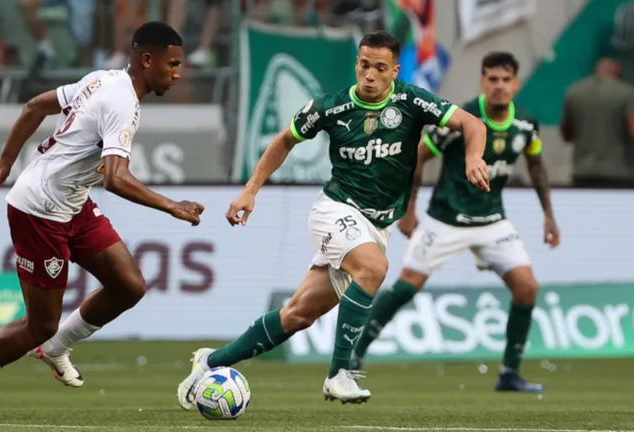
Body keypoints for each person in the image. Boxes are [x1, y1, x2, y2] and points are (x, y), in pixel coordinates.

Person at [177, 30, 489, 407]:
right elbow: (284, 140)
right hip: (335, 210)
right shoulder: (331, 107)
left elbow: (474, 124)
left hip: (376, 225)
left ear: (394, 70)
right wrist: (251, 189)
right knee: (373, 269)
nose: (369, 75)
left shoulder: (412, 101)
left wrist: (473, 157)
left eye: (379, 68)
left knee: (298, 314)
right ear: (356, 64)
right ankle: (340, 373)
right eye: (364, 65)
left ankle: (210, 361)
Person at [0, 22, 204, 421]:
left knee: (128, 285)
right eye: (173, 64)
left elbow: (35, 106)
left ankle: (57, 347)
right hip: (39, 210)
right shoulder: (121, 101)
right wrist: (171, 206)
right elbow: (116, 178)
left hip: (72, 203)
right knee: (39, 325)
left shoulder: (102, 79)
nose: (177, 73)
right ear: (147, 60)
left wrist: (7, 159)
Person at [351, 52, 559, 394]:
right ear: (482, 82)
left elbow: (535, 165)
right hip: (446, 219)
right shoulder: (462, 119)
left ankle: (509, 373)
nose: (499, 86)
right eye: (492, 79)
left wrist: (548, 216)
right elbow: (420, 156)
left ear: (516, 84)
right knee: (406, 286)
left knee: (527, 287)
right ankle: (354, 354)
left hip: (493, 222)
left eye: (506, 80)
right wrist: (411, 207)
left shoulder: (526, 123)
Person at [561, 58, 634, 188]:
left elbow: (567, 135)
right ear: (618, 74)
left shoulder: (573, 92)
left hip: (583, 172)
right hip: (620, 172)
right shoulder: (627, 93)